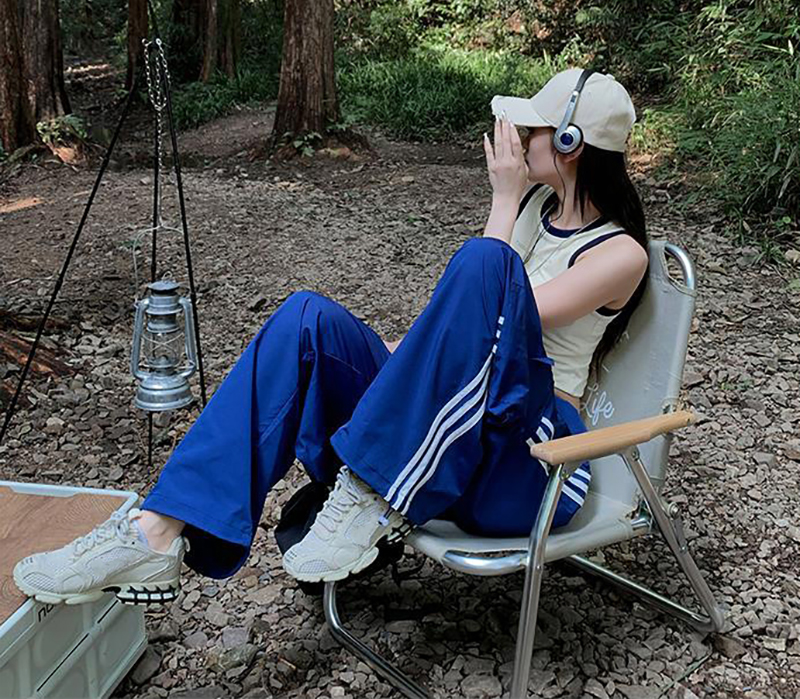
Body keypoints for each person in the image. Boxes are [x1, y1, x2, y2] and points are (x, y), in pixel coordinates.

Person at [14, 68, 648, 605]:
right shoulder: (535, 211)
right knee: (306, 319)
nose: (517, 139)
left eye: (533, 129)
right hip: (455, 431)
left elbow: (500, 322)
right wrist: (393, 356)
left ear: (570, 143)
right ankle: (155, 530)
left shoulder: (621, 254)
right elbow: (455, 335)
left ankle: (373, 489)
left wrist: (503, 200)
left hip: (530, 463)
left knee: (485, 261)